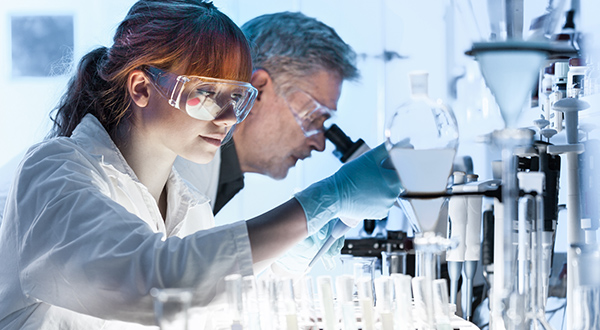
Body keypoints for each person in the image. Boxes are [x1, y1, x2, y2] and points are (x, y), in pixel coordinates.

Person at [0, 0, 400, 329]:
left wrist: (290, 260)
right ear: (142, 87)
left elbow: (215, 306)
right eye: (206, 92)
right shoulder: (53, 170)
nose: (227, 117)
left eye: (237, 97)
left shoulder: (187, 204)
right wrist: (317, 203)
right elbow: (159, 284)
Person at [173, 11, 359, 272]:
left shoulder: (218, 172)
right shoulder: (185, 160)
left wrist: (277, 257)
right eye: (314, 117)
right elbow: (174, 279)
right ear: (257, 89)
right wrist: (309, 211)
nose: (320, 143)